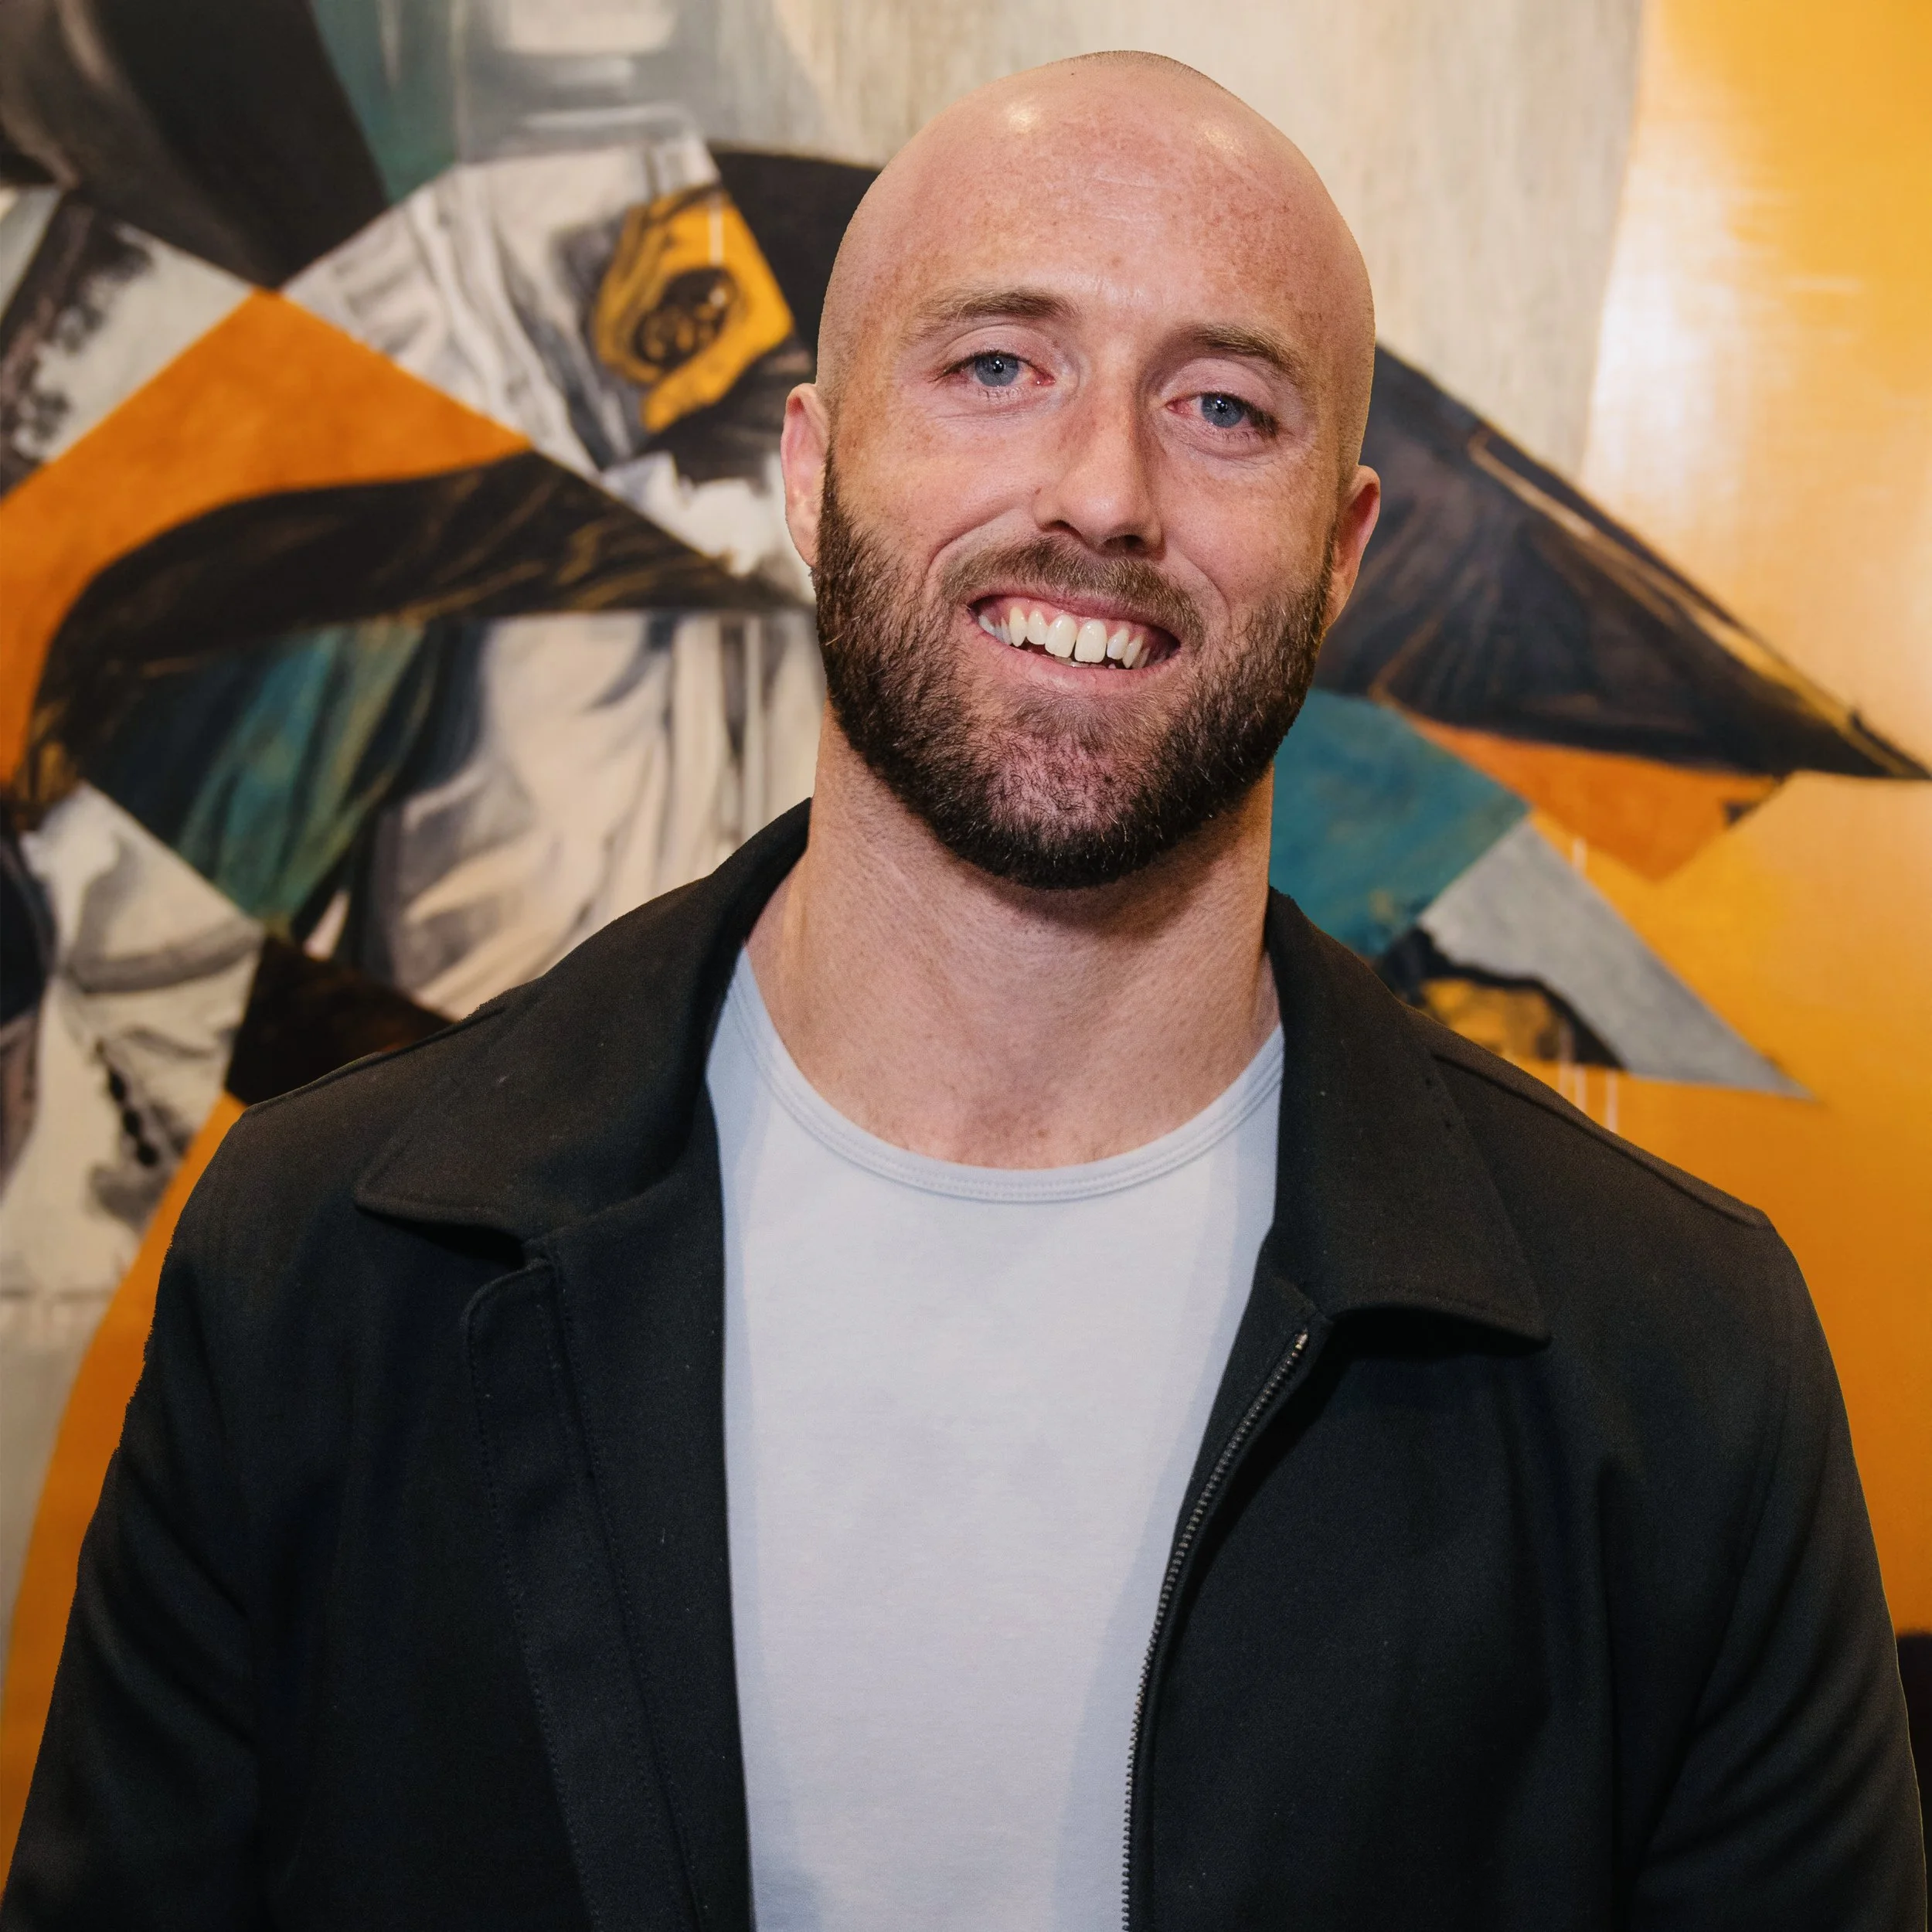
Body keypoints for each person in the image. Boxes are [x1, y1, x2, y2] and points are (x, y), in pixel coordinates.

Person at [4, 51, 1923, 1932]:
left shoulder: (1680, 1354)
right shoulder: (314, 1260)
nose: (1101, 492)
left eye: (1227, 407)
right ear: (813, 463)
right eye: (997, 366)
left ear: (1340, 558)